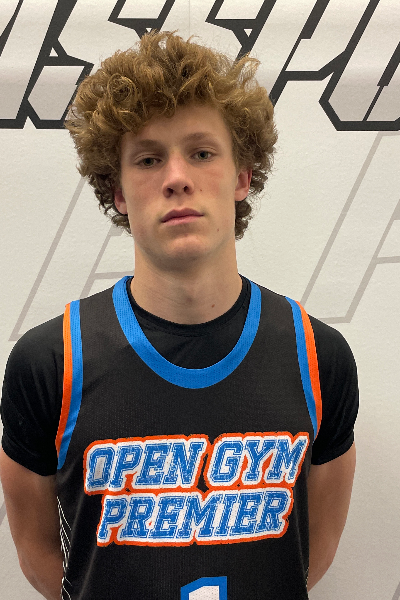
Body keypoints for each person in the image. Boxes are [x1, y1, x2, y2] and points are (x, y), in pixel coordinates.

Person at [0, 30, 358, 600]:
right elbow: (39, 553)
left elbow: (313, 549)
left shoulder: (318, 357)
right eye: (148, 159)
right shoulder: (49, 362)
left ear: (242, 177)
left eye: (202, 152)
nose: (176, 178)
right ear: (118, 191)